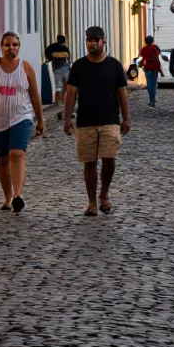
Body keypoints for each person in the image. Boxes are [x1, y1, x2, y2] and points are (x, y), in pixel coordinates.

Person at [0, 31, 44, 213]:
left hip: (21, 117)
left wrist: (40, 119)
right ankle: (8, 197)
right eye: (7, 45)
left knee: (17, 154)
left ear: (19, 47)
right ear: (1, 47)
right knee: (3, 159)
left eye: (14, 45)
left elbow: (34, 96)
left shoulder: (26, 68)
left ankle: (18, 195)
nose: (11, 48)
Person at [64, 26, 131, 216]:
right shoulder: (78, 66)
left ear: (104, 41)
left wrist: (126, 118)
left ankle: (104, 194)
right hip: (86, 121)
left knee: (109, 159)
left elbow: (122, 93)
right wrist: (67, 118)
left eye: (96, 39)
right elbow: (71, 93)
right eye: (89, 39)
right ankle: (92, 202)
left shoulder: (114, 65)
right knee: (89, 162)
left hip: (110, 119)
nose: (92, 43)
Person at [45, 33, 72, 119]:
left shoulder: (52, 47)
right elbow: (69, 59)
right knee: (65, 86)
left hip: (57, 68)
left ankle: (58, 102)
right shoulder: (65, 48)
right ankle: (63, 102)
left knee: (59, 86)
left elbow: (48, 54)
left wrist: (50, 58)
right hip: (63, 68)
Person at [138, 34, 162, 107]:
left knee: (149, 85)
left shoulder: (144, 49)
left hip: (147, 68)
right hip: (154, 68)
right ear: (152, 41)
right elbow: (158, 56)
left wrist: (141, 64)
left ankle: (151, 100)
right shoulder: (154, 48)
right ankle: (153, 101)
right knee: (153, 84)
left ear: (145, 42)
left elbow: (142, 57)